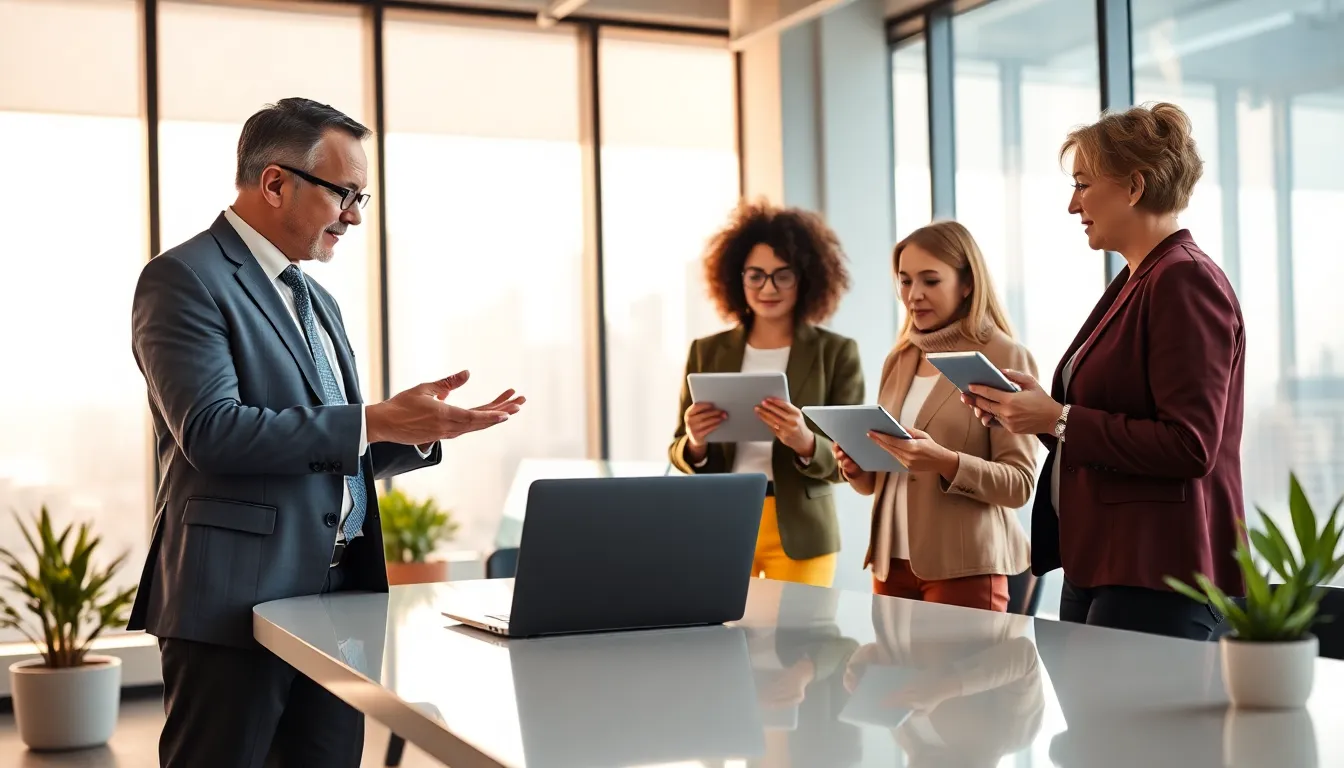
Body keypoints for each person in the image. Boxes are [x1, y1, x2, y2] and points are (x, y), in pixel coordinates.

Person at [128, 98, 524, 768]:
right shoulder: (184, 279)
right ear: (275, 183)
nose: (355, 216)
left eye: (360, 198)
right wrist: (374, 419)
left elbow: (328, 448)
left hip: (337, 600)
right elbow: (212, 431)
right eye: (344, 193)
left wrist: (417, 431)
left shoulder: (317, 299)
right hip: (234, 600)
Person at [962, 102, 1245, 640]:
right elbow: (1110, 425)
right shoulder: (1140, 280)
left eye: (1083, 185)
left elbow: (1190, 446)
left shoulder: (1183, 280)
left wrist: (1059, 418)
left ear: (1134, 187)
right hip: (1107, 562)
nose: (1073, 205)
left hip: (1155, 573)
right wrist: (1035, 414)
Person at [834, 221, 1036, 611]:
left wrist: (945, 461)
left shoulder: (1003, 356)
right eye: (905, 281)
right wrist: (857, 467)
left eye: (930, 281)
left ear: (967, 284)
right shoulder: (900, 358)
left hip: (965, 565)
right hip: (890, 564)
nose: (914, 295)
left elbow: (1019, 484)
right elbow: (883, 480)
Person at [668, 200, 864, 588]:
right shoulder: (706, 351)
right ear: (737, 278)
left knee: (799, 630)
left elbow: (853, 460)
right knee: (724, 628)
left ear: (805, 278)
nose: (768, 288)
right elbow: (678, 448)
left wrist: (805, 441)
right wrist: (696, 443)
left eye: (782, 275)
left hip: (802, 530)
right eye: (755, 275)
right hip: (723, 523)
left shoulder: (836, 352)